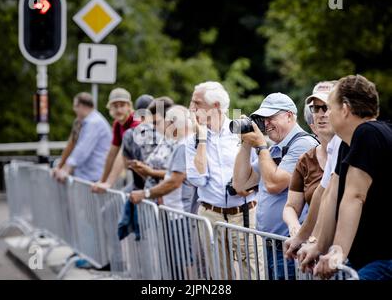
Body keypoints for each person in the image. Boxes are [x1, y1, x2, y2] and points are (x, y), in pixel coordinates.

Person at [309, 75, 392, 280]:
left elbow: (355, 196)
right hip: (366, 259)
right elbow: (333, 193)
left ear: (344, 109)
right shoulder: (349, 143)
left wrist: (338, 251)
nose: (326, 114)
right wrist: (319, 246)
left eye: (329, 107)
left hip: (383, 260)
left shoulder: (368, 133)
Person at [233, 92, 318, 280]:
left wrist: (261, 146)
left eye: (271, 117)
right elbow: (240, 183)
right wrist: (246, 144)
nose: (266, 123)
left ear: (289, 115)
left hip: (293, 248)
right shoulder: (274, 150)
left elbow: (274, 184)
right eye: (263, 119)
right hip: (273, 246)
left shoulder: (303, 144)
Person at [186, 81, 258, 280]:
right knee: (219, 275)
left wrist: (250, 186)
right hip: (211, 215)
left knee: (253, 273)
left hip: (244, 213)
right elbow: (197, 179)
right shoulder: (192, 138)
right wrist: (201, 140)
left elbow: (259, 168)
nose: (191, 108)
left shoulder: (241, 130)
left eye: (197, 103)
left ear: (215, 106)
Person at [129, 105, 196, 279]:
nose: (162, 128)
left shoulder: (183, 146)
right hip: (174, 212)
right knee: (177, 260)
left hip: (180, 213)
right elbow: (170, 177)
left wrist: (146, 194)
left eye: (165, 123)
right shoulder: (180, 144)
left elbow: (174, 181)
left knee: (185, 261)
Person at [283, 82, 336, 237]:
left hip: (352, 251)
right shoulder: (306, 160)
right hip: (315, 249)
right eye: (316, 108)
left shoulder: (355, 152)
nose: (321, 114)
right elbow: (291, 207)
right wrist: (294, 226)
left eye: (326, 107)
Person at [52, 92, 111, 182]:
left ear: (82, 106)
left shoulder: (93, 123)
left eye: (75, 106)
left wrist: (66, 168)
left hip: (93, 178)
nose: (74, 109)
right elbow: (72, 144)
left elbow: (82, 149)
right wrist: (61, 166)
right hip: (90, 176)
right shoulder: (88, 121)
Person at [92, 88, 140, 193]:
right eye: (115, 106)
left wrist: (109, 183)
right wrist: (102, 181)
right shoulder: (117, 125)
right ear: (110, 108)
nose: (118, 110)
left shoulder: (136, 122)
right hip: (138, 175)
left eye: (122, 105)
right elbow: (112, 153)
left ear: (129, 107)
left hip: (150, 175)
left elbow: (123, 152)